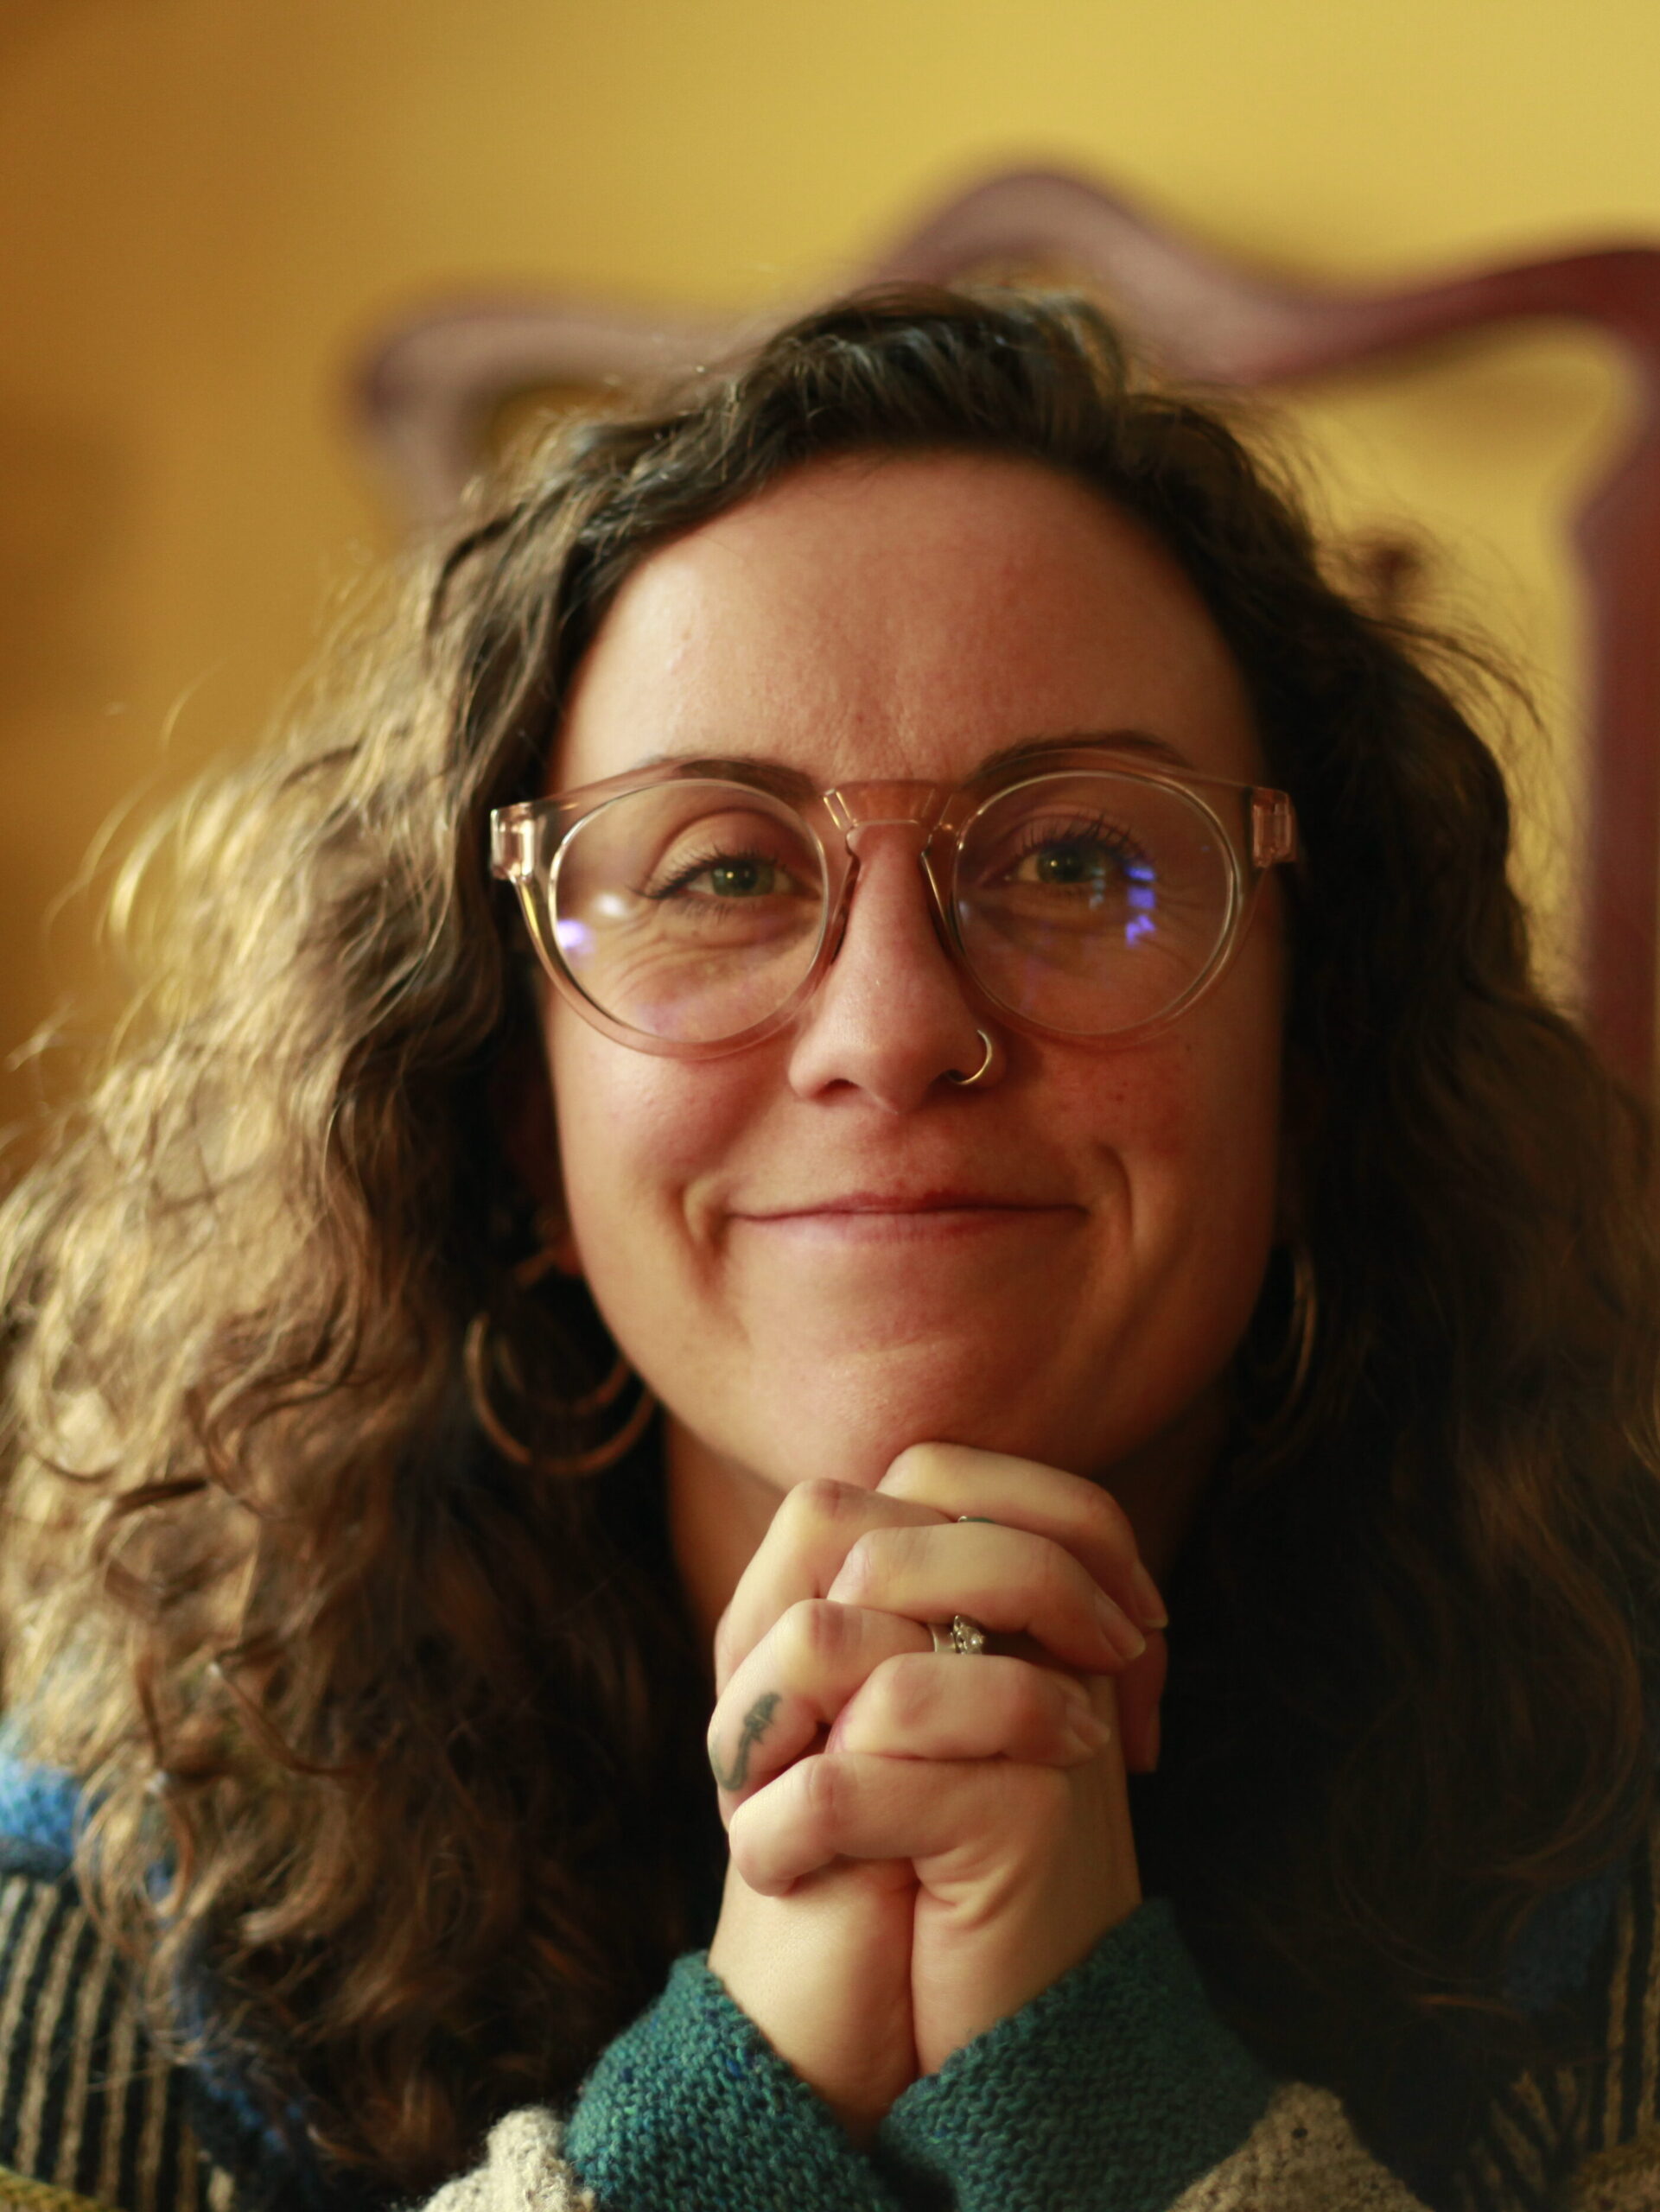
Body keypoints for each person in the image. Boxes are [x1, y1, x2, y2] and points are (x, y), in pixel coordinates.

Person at [0, 286, 1655, 2212]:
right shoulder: (109, 1904)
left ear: (1316, 1046)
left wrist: (1117, 2099)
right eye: (721, 869)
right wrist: (714, 2126)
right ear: (514, 1115)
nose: (888, 1026)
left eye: (1071, 861)